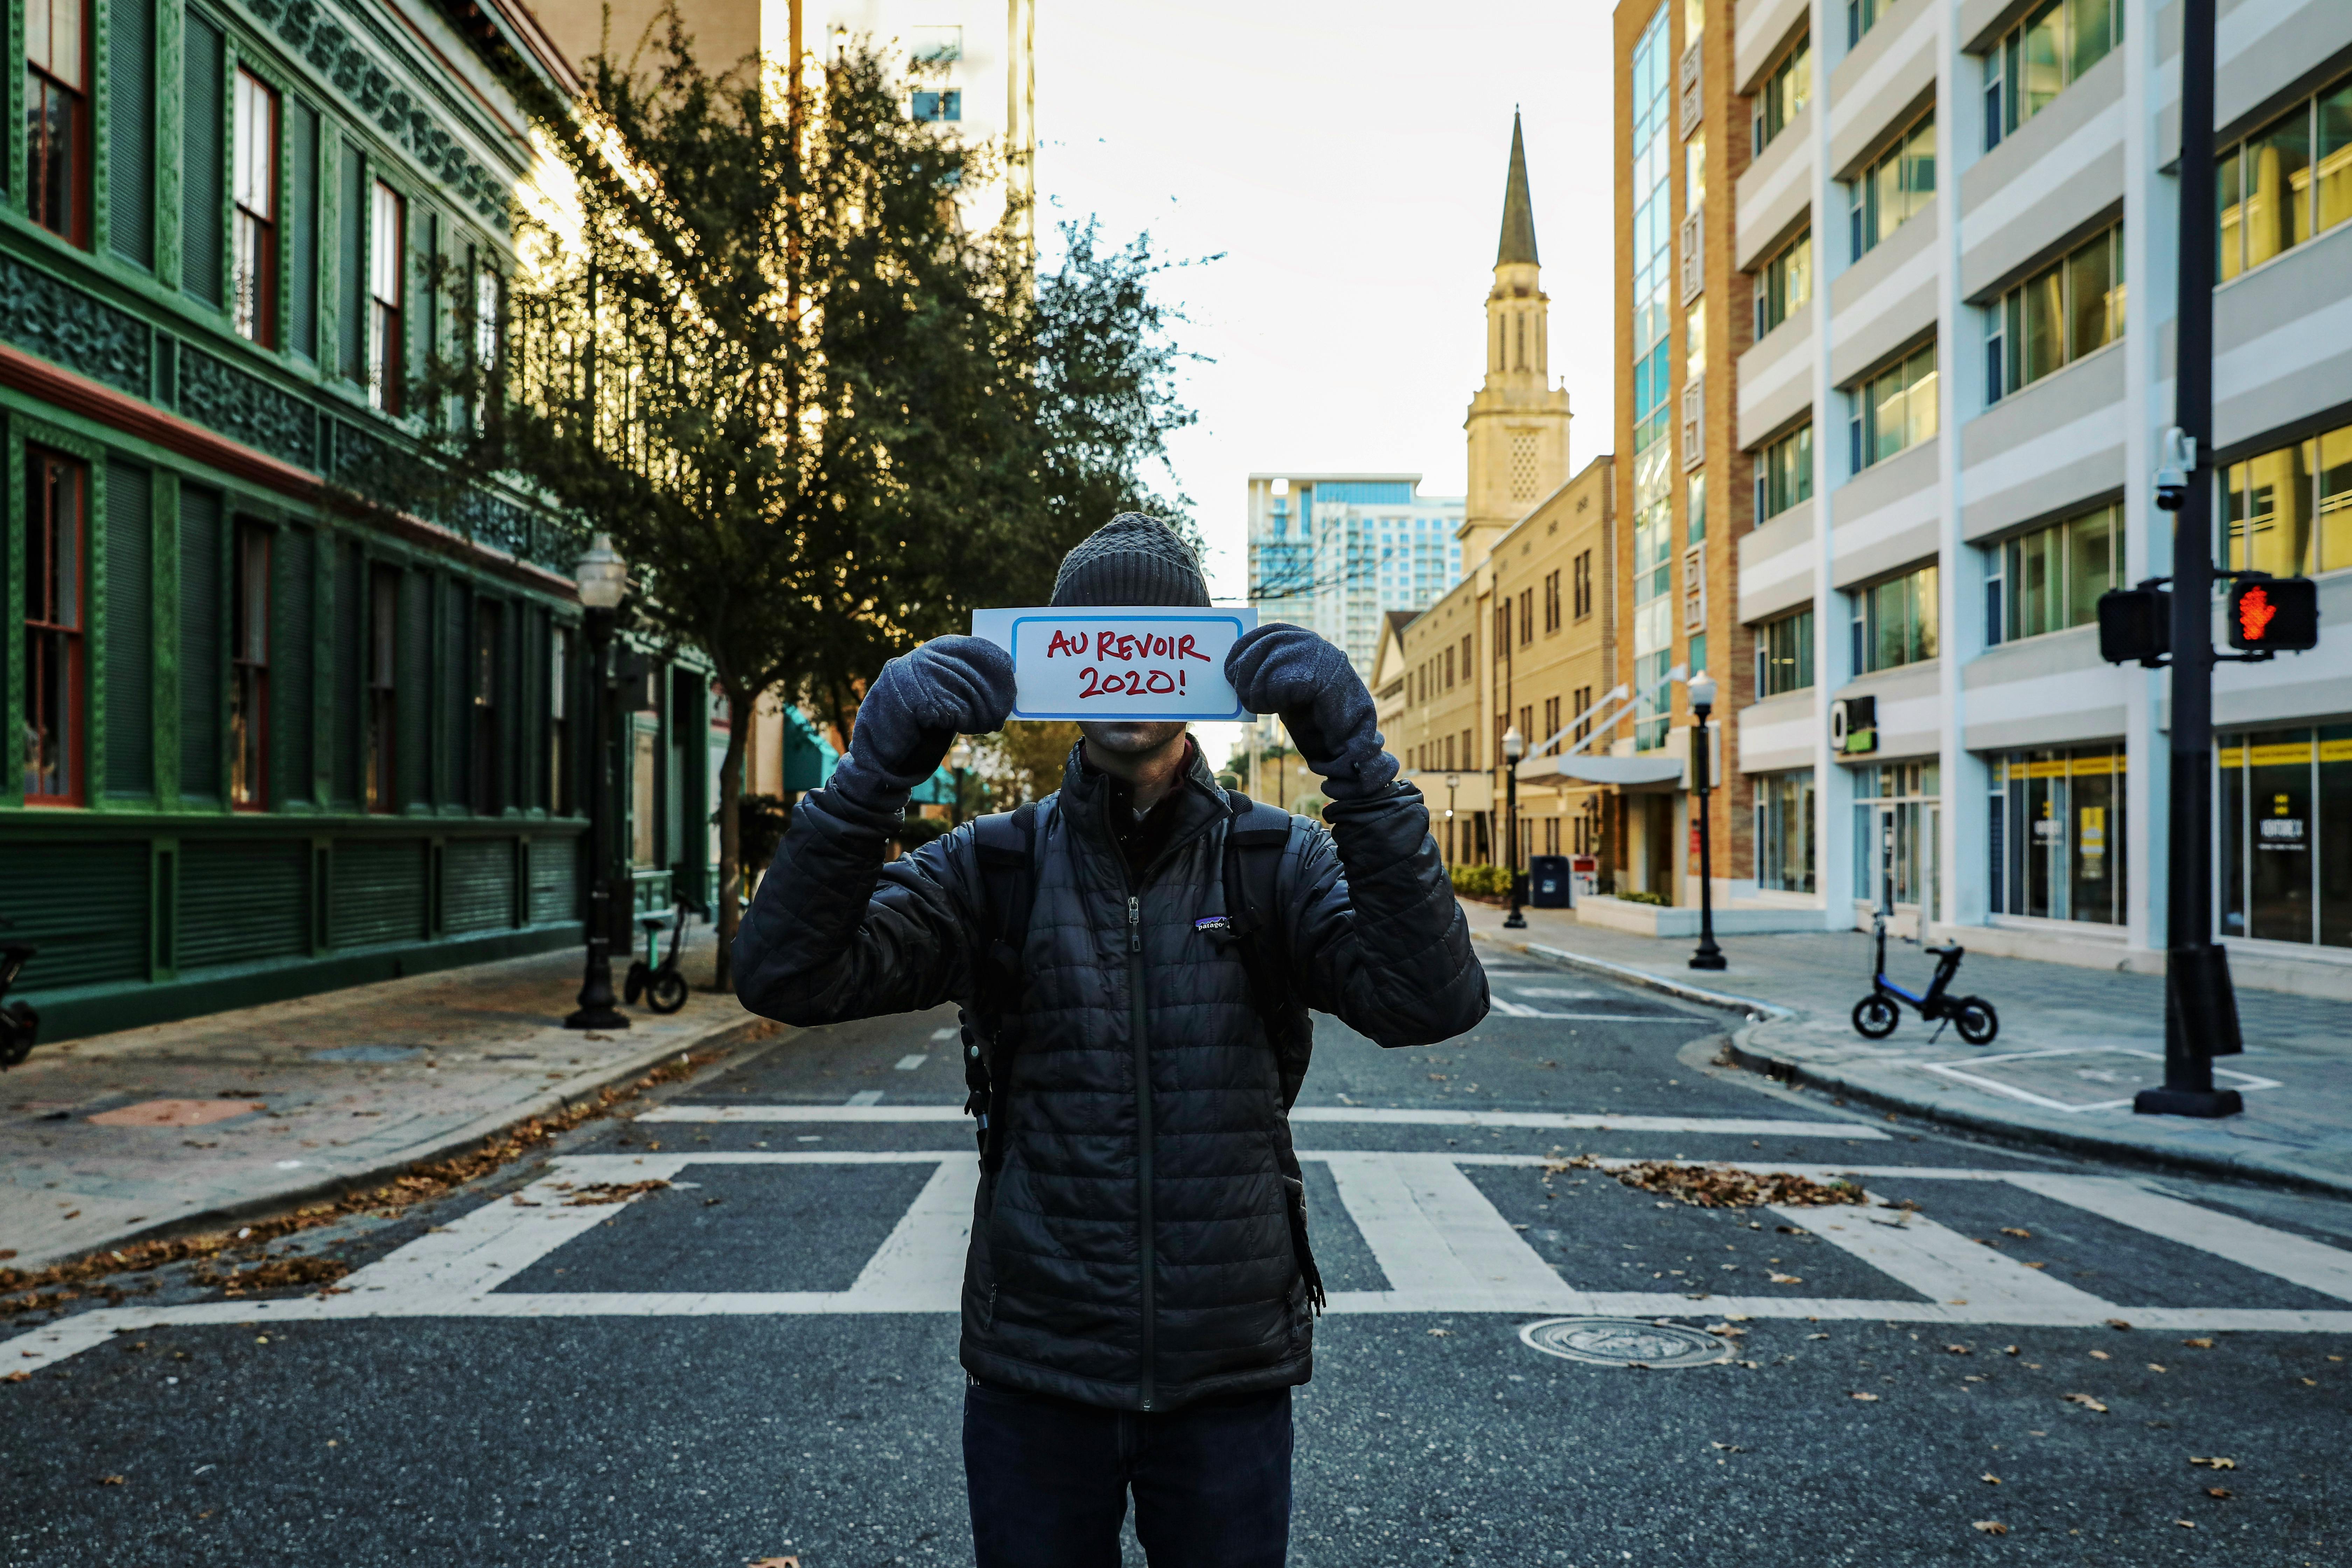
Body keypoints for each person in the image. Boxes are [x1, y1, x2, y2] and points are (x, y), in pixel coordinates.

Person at [733, 513, 1487, 1567]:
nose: (1129, 670)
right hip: (1038, 1372)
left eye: (1158, 640)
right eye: (1097, 639)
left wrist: (1361, 771)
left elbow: (1434, 1002)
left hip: (1228, 1374)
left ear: (1199, 663)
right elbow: (785, 975)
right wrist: (868, 780)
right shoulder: (989, 865)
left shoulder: (1279, 861)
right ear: (1060, 660)